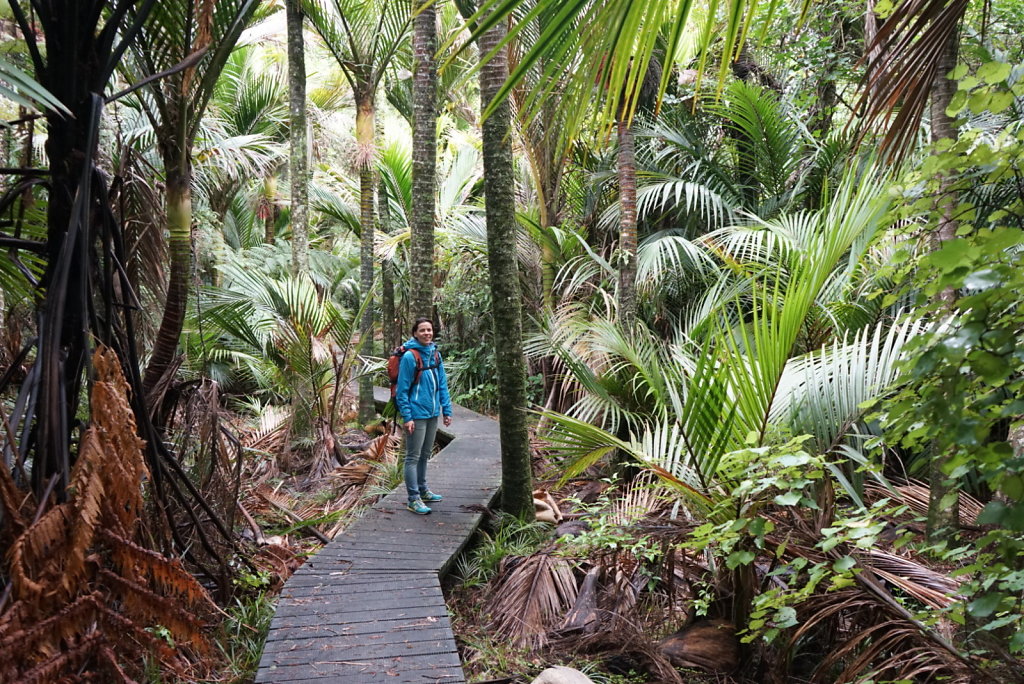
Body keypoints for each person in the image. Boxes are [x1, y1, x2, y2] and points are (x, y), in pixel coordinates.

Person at [394, 317, 453, 514]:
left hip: (432, 412)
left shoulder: (435, 355)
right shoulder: (411, 357)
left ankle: (423, 490)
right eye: (422, 330)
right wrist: (407, 416)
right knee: (412, 456)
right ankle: (413, 498)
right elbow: (402, 390)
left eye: (429, 330)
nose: (427, 333)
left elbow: (442, 384)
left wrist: (447, 410)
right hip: (416, 413)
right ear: (415, 333)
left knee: (425, 455)